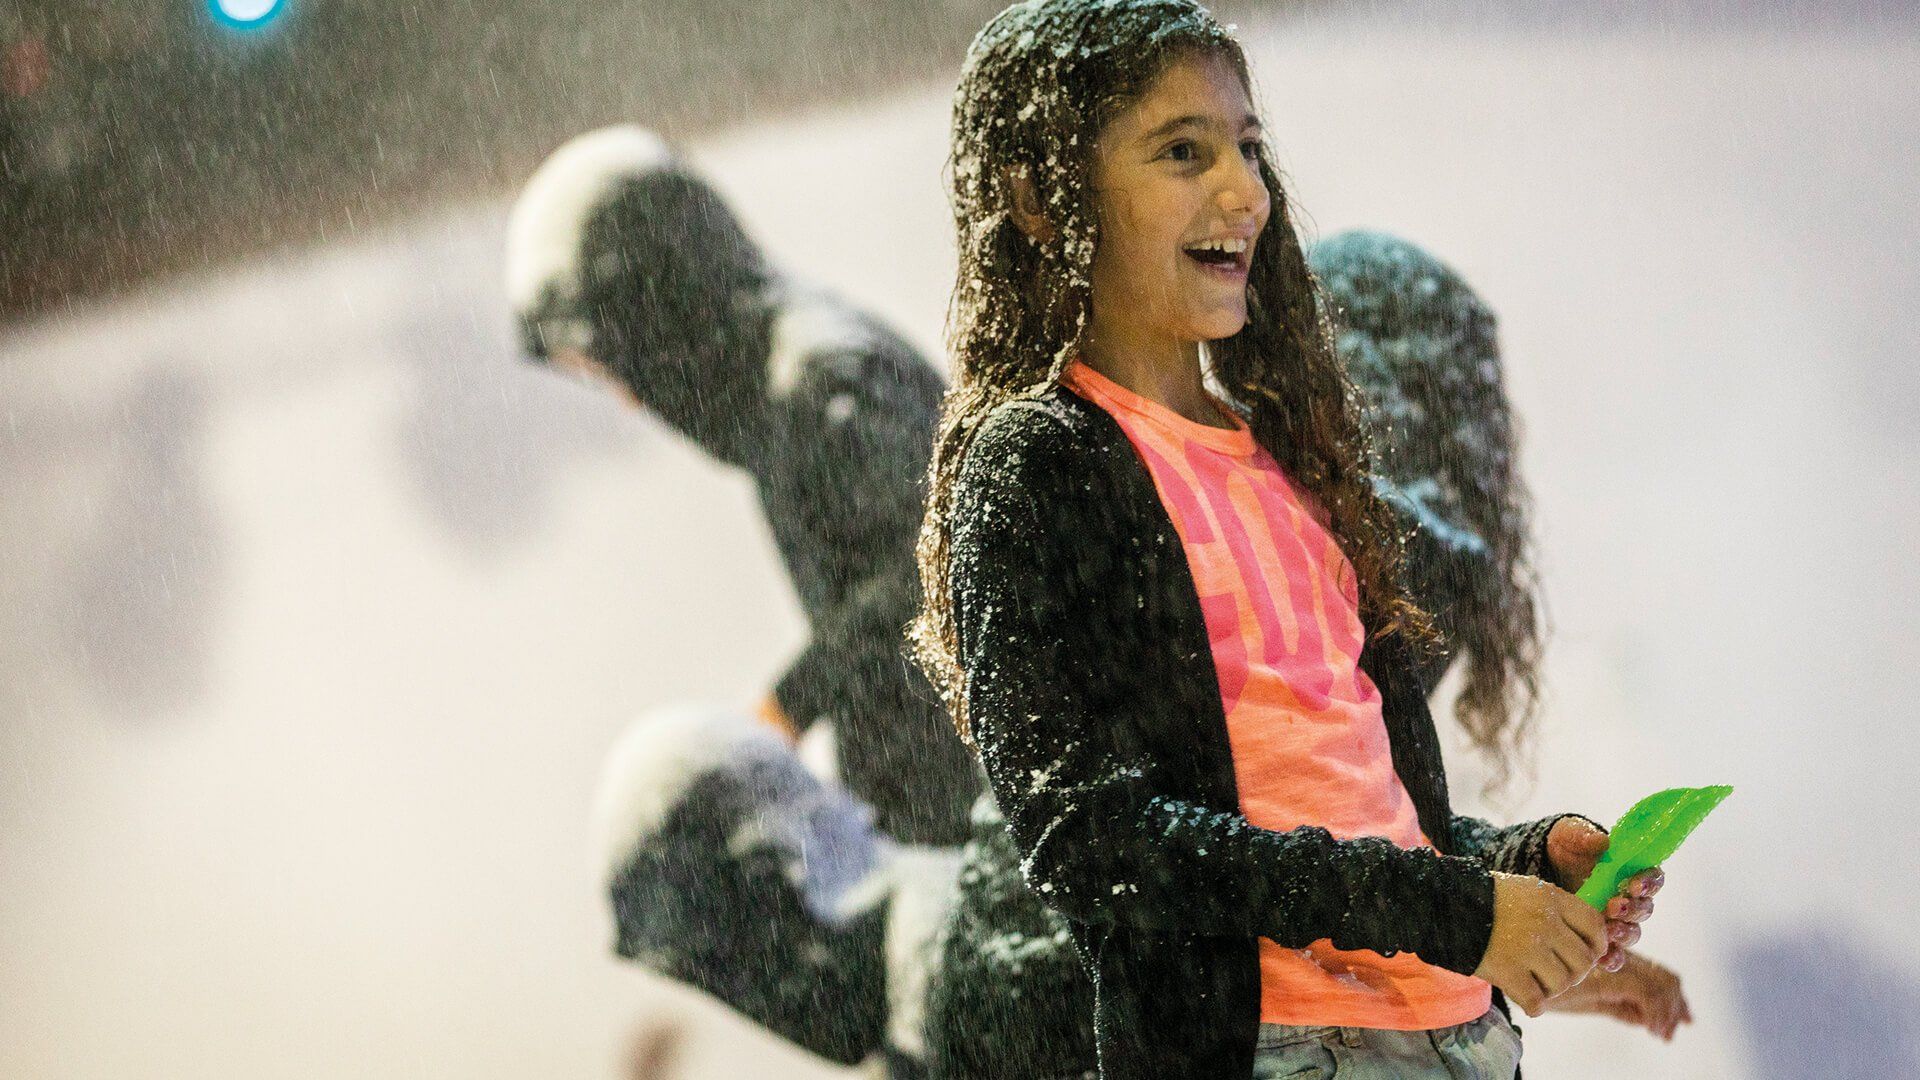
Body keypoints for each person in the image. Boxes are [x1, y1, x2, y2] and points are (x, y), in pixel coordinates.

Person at [907, 4, 1664, 1077]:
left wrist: (1522, 866)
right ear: (1041, 194)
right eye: (1183, 151)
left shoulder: (1297, 469)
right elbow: (1087, 841)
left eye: (1250, 147)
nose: (1245, 190)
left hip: (1458, 1043)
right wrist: (1452, 910)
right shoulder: (1037, 463)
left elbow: (1364, 817)